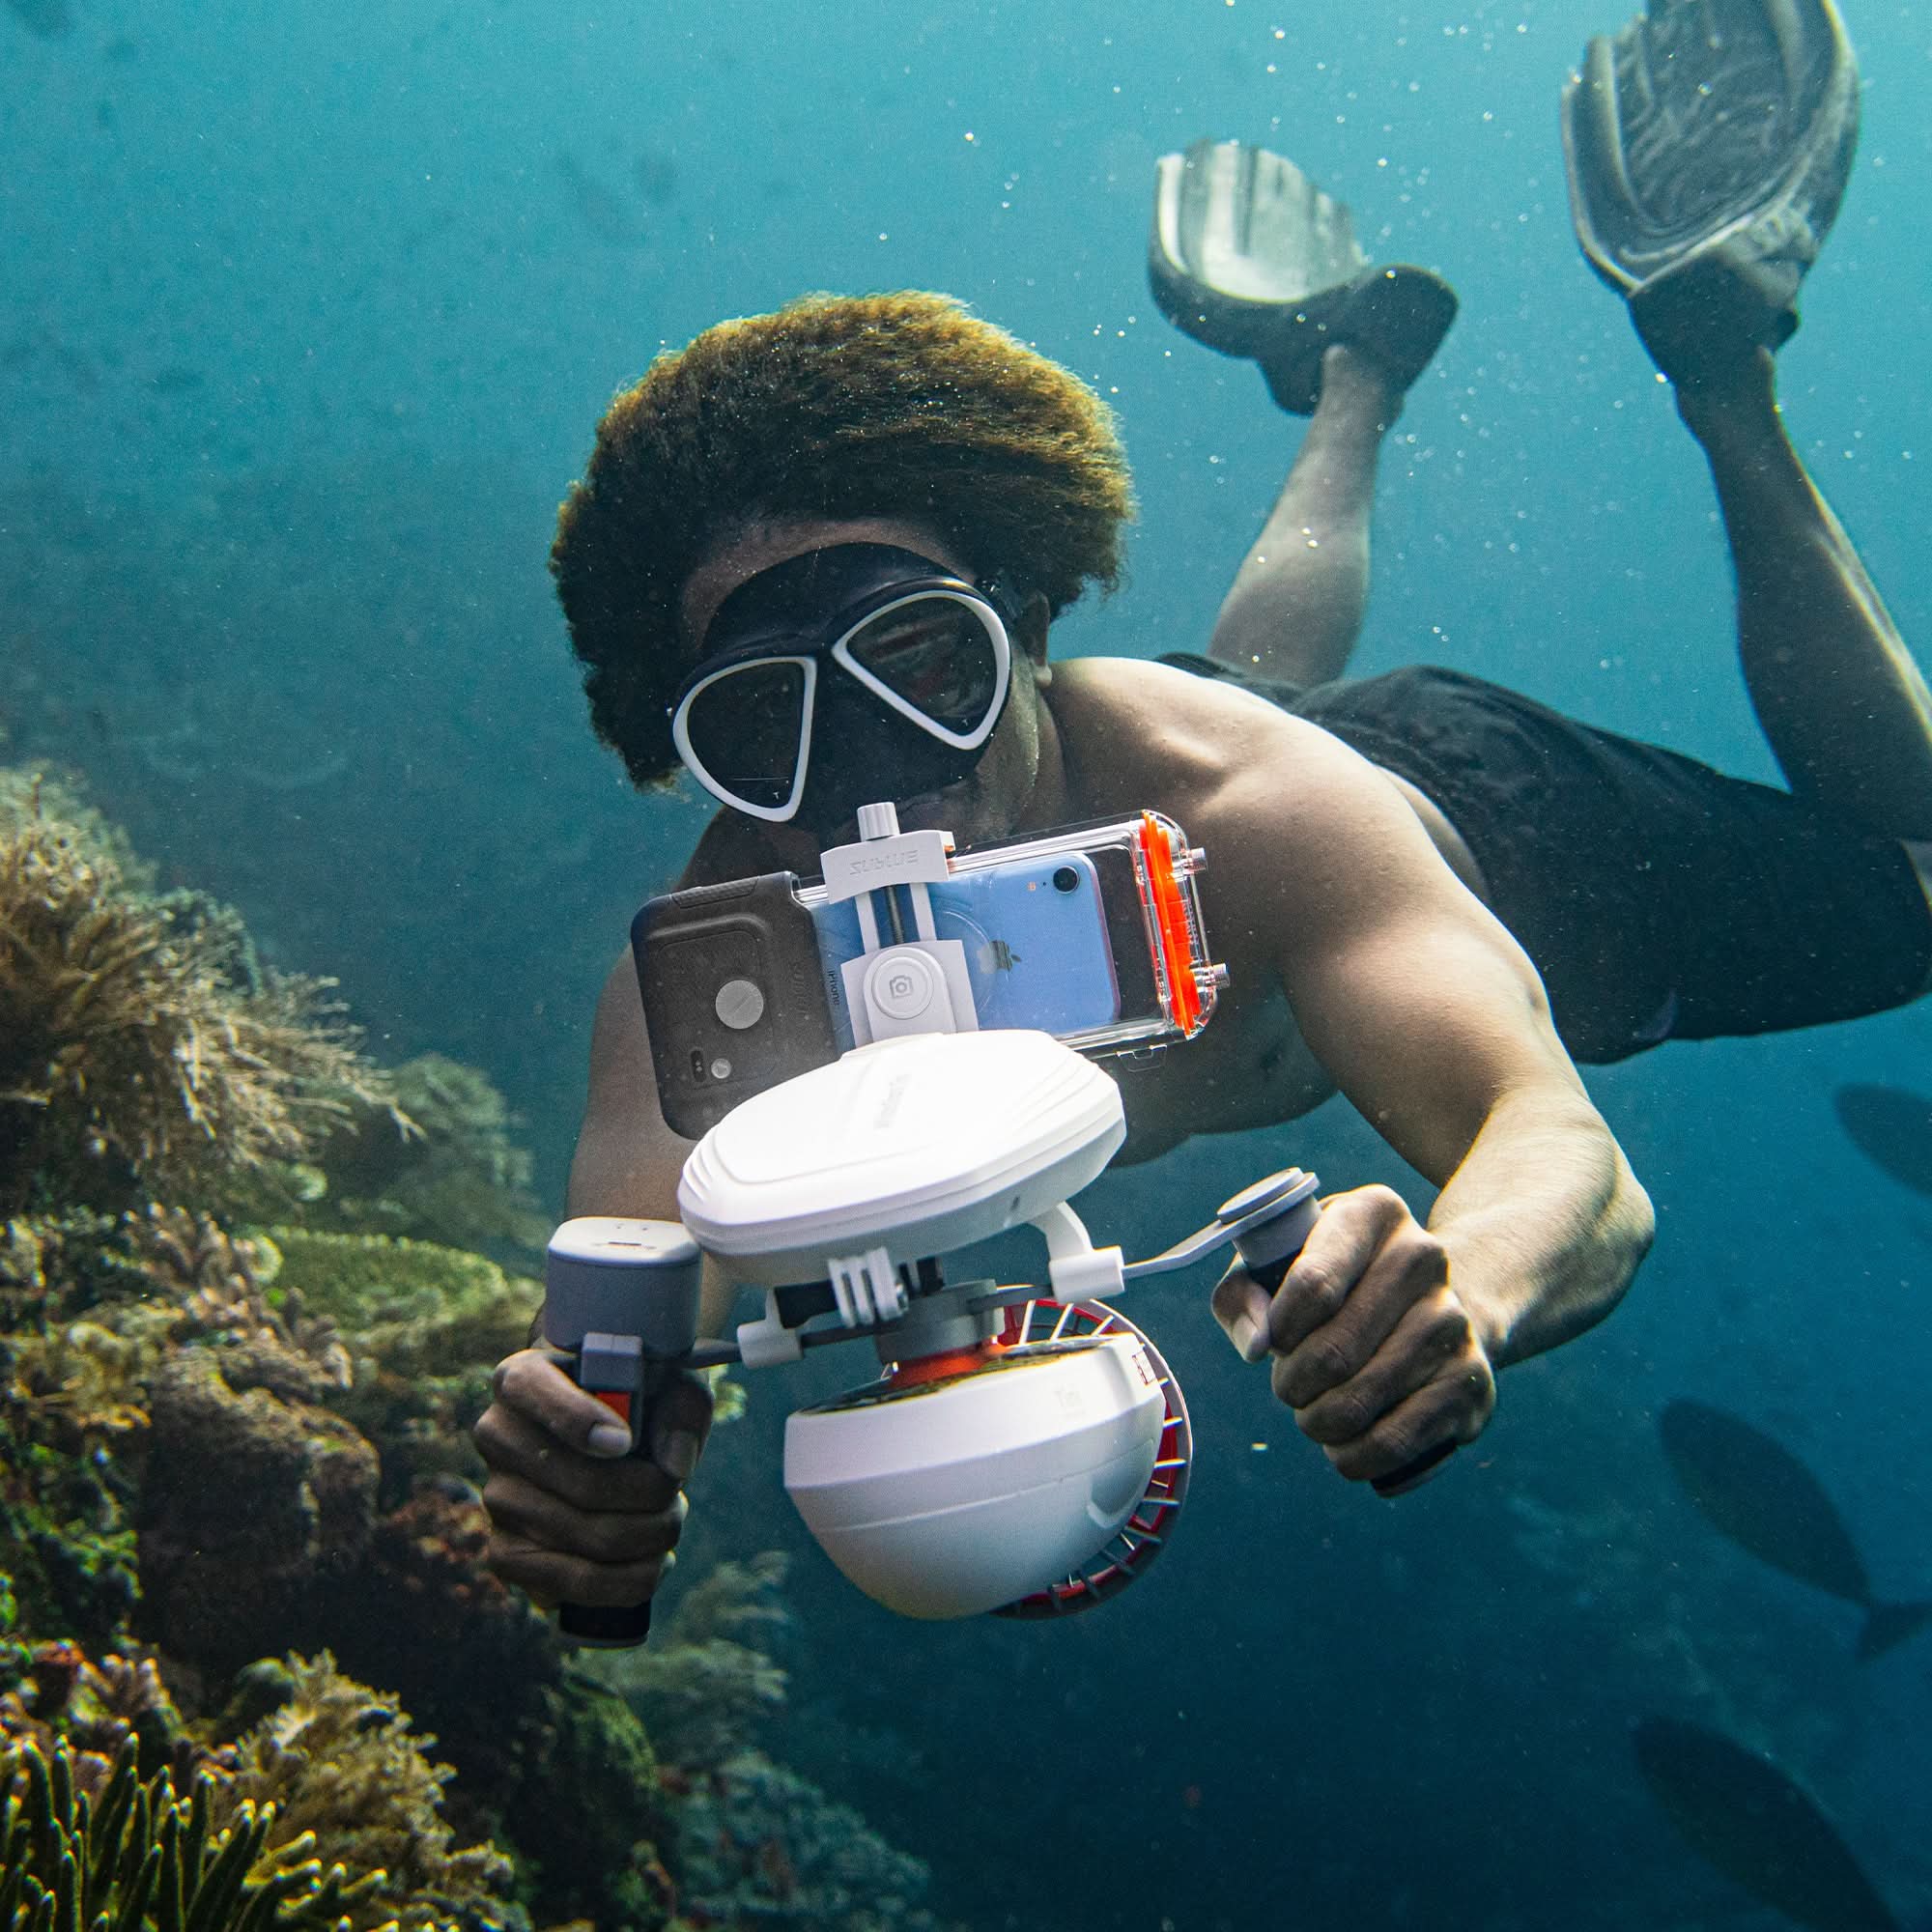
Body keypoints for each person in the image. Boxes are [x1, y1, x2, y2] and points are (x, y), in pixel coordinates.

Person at [476, 0, 1931, 1619]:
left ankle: (1722, 378)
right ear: (697, 753)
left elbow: (1559, 1148)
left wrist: (1465, 1284)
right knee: (1247, 683)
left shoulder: (1253, 813)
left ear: (1032, 624)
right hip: (1163, 743)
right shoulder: (708, 993)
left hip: (1478, 817)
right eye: (767, 725)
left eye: (924, 665)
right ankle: (1352, 371)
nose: (878, 768)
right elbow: (615, 1333)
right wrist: (584, 1454)